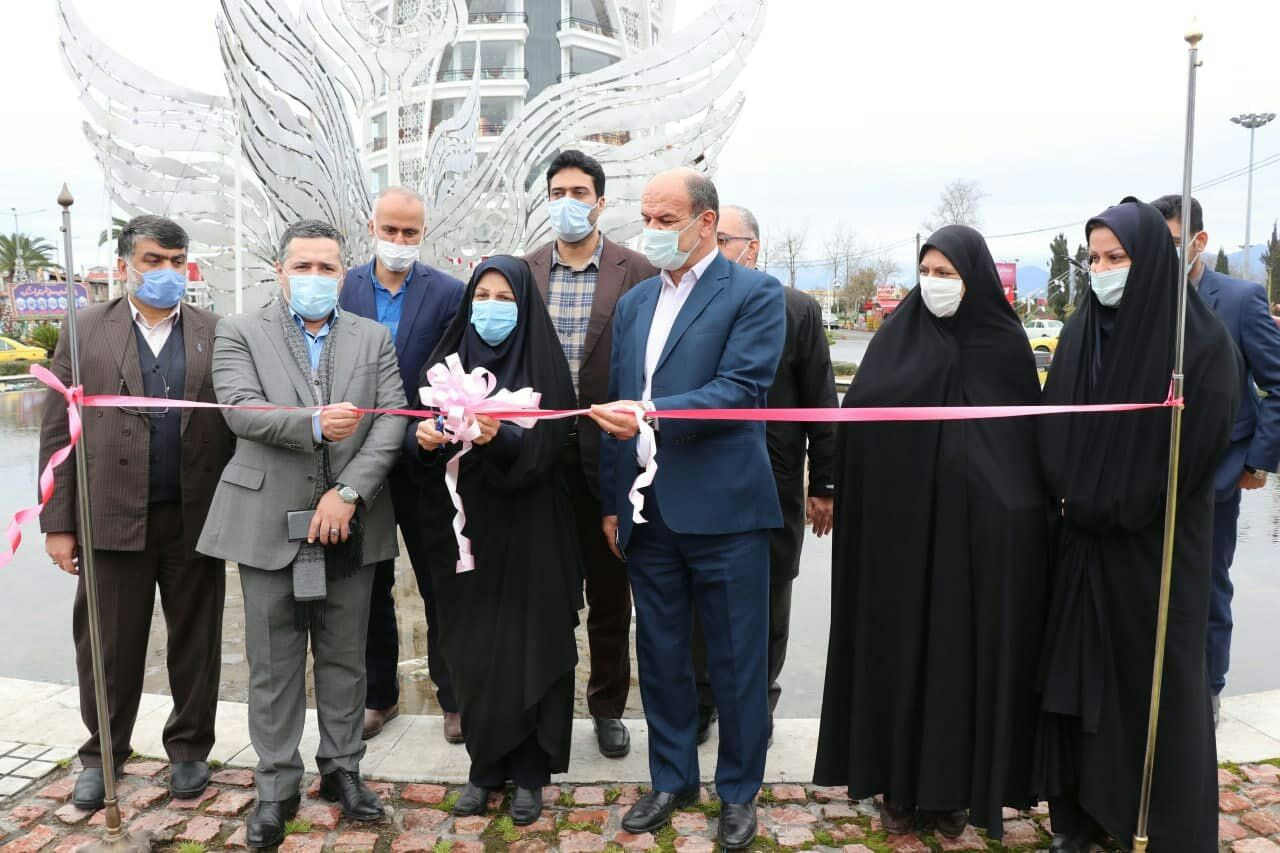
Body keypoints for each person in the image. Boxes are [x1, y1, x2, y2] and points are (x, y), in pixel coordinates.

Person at [814, 225, 1048, 841]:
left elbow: (1025, 452)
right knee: (901, 658)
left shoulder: (1004, 346)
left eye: (948, 273)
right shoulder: (895, 342)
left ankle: (954, 795)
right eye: (928, 271)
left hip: (976, 550)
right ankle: (896, 788)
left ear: (973, 279)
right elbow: (860, 429)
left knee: (962, 665)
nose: (935, 284)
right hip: (903, 544)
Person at [1035, 198, 1240, 852]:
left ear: (1149, 259)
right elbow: (1054, 428)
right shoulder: (1079, 331)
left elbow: (1197, 448)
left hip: (1156, 547)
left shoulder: (1197, 343)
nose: (1101, 269)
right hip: (1083, 545)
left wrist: (1121, 495)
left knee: (1148, 689)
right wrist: (1077, 492)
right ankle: (1081, 814)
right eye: (1093, 257)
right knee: (1081, 682)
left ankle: (1152, 818)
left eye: (1115, 257)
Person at [589, 169, 785, 850]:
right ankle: (671, 779)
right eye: (646, 216)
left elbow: (740, 389)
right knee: (662, 653)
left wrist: (651, 413)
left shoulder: (756, 295)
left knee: (736, 660)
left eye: (665, 218)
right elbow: (620, 396)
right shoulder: (639, 302)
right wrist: (617, 503)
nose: (652, 230)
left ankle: (738, 791)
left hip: (726, 510)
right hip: (649, 515)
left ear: (707, 223)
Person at [197, 220, 406, 849]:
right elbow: (238, 407)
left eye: (327, 268)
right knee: (273, 661)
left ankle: (343, 769)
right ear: (280, 271)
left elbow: (392, 419)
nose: (316, 278)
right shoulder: (239, 330)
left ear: (344, 274)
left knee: (346, 656)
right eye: (303, 267)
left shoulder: (373, 337)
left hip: (352, 523)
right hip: (265, 521)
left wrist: (348, 493)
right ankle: (275, 784)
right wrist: (315, 424)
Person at [37, 216, 234, 811]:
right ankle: (103, 753)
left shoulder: (214, 331)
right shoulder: (84, 331)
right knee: (108, 644)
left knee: (196, 641)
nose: (167, 272)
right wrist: (59, 522)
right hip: (112, 514)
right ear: (125, 264)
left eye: (177, 261)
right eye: (154, 260)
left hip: (195, 513)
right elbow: (57, 433)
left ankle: (191, 749)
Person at [410, 256, 582, 826]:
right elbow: (416, 444)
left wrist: (499, 436)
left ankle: (531, 772)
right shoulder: (447, 360)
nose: (490, 307)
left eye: (504, 298)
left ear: (525, 305)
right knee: (474, 648)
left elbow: (547, 452)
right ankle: (485, 767)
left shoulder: (546, 364)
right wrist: (429, 437)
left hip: (533, 531)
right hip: (464, 536)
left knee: (532, 645)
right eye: (481, 294)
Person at [523, 149, 658, 758]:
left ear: (601, 202)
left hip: (613, 456)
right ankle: (544, 707)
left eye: (579, 192)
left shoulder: (639, 270)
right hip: (541, 460)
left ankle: (607, 706)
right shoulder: (523, 273)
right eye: (557, 192)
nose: (568, 203)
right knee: (547, 594)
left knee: (611, 594)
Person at [692, 204, 836, 745]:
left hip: (775, 480)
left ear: (752, 248)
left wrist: (824, 484)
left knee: (771, 599)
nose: (714, 246)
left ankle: (757, 702)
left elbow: (821, 403)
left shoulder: (795, 309)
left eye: (724, 238)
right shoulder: (696, 306)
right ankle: (703, 699)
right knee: (704, 598)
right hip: (706, 476)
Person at [339, 186, 467, 742]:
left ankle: (455, 696)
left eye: (409, 233)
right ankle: (378, 696)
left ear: (423, 233)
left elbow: (458, 370)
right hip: (360, 458)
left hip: (425, 461)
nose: (398, 241)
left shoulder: (448, 293)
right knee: (369, 582)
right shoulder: (343, 287)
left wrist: (435, 427)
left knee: (443, 582)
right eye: (389, 230)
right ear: (372, 226)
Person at [1150, 194, 1280, 724]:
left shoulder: (1241, 300)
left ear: (1199, 242)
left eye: (1173, 244)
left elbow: (1275, 384)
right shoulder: (1143, 299)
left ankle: (1207, 690)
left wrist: (1257, 462)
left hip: (1218, 475)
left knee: (1206, 584)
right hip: (1151, 474)